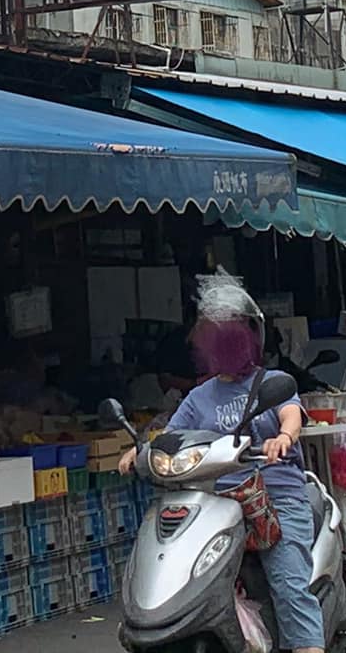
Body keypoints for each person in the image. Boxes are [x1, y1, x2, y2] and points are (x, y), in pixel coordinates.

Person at [118, 274, 321, 653]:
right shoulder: (200, 396)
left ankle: (308, 646)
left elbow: (291, 412)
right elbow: (171, 435)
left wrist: (283, 437)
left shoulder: (272, 381)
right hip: (217, 502)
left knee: (289, 584)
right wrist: (141, 450)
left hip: (276, 498)